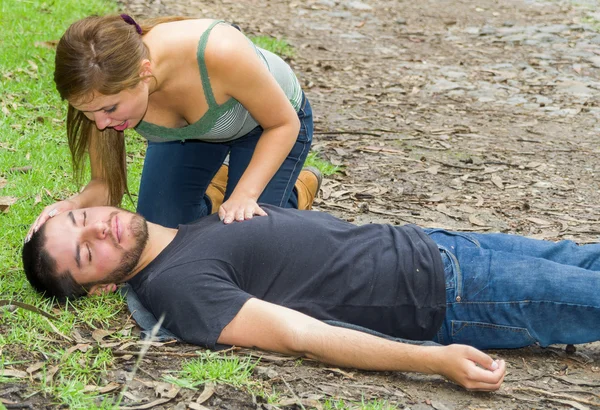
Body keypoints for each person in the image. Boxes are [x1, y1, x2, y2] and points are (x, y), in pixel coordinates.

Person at [22, 204, 600, 392]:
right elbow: (299, 334)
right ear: (101, 285)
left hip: (438, 245)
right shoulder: (177, 289)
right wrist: (433, 361)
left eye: (81, 219)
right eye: (85, 252)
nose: (99, 230)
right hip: (452, 296)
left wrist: (47, 222)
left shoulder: (182, 228)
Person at [26, 13, 320, 240]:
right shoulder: (95, 92)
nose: (101, 123)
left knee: (244, 241)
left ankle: (294, 192)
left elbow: (283, 124)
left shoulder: (219, 50)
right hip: (189, 138)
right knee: (160, 234)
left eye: (110, 109)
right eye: (88, 113)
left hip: (268, 129)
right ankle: (218, 191)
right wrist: (72, 204)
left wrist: (245, 193)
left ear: (144, 73)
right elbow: (104, 186)